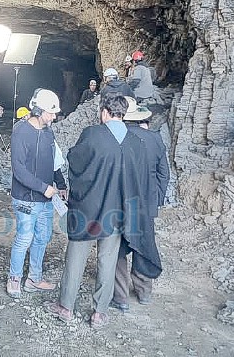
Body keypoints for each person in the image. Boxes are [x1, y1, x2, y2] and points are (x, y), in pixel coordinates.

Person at [44, 95, 161, 328]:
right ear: (124, 114)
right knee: (108, 262)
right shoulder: (135, 142)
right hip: (117, 212)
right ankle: (99, 313)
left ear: (105, 112)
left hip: (88, 210)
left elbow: (75, 161)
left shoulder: (92, 134)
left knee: (76, 258)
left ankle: (66, 307)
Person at [112, 97, 169, 310]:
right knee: (144, 245)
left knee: (118, 248)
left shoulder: (118, 137)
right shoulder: (155, 139)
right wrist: (156, 200)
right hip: (146, 204)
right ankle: (144, 292)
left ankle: (120, 297)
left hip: (121, 203)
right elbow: (164, 175)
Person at [7, 88, 63, 299]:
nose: (54, 116)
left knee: (43, 237)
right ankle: (14, 278)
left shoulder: (49, 132)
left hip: (46, 198)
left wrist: (60, 183)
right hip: (26, 199)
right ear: (39, 111)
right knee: (24, 238)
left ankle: (34, 278)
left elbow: (54, 161)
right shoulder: (20, 132)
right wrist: (44, 188)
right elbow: (19, 169)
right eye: (51, 112)